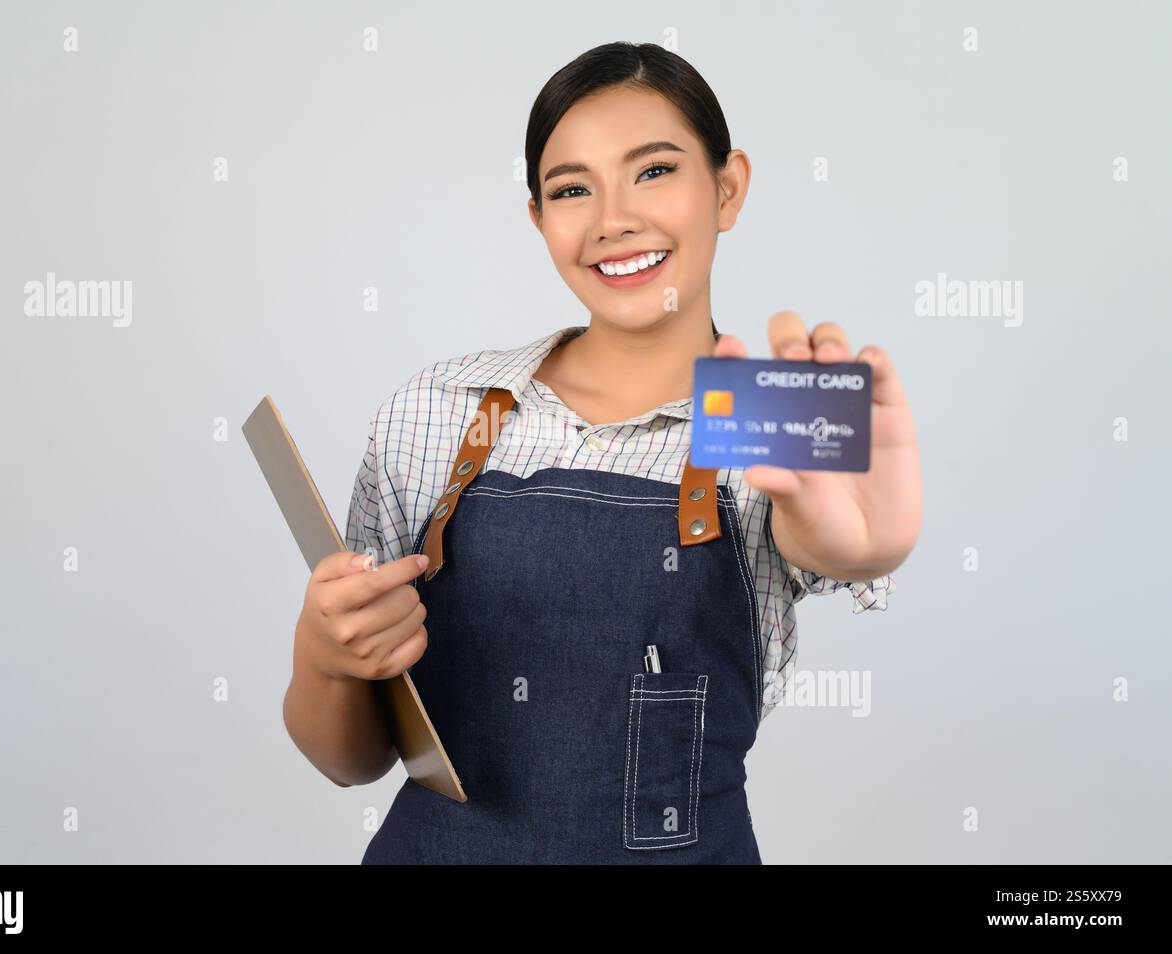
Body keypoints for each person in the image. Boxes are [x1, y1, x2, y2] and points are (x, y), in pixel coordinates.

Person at [283, 41, 922, 864]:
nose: (613, 218)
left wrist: (854, 547)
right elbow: (352, 759)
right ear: (539, 219)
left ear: (727, 189)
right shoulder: (434, 412)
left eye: (654, 171)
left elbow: (822, 531)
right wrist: (323, 653)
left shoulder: (773, 416)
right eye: (572, 189)